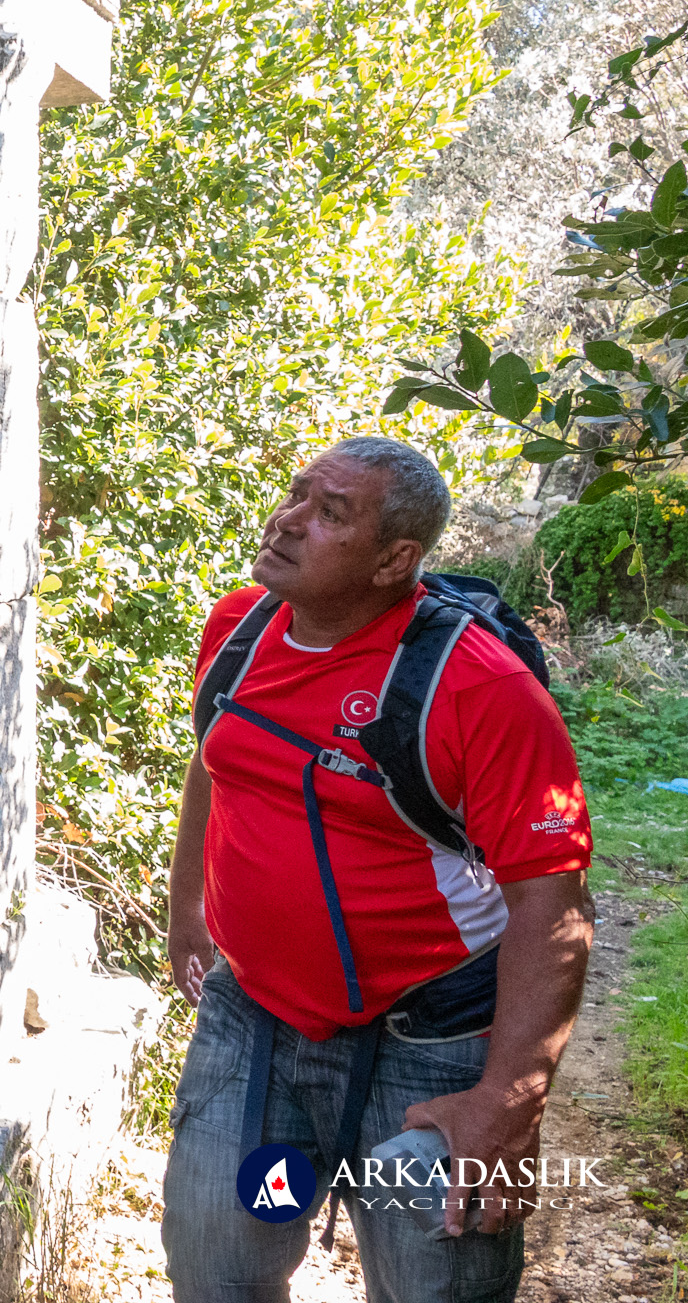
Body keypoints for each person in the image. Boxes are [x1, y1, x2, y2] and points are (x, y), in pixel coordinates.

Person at [160, 437, 594, 1303]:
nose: (288, 522)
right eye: (297, 496)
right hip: (255, 1030)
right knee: (219, 1266)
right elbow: (218, 759)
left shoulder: (480, 688)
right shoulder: (239, 627)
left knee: (431, 1286)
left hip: (432, 1053)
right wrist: (188, 913)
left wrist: (509, 1098)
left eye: (331, 514)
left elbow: (554, 900)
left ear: (396, 560)